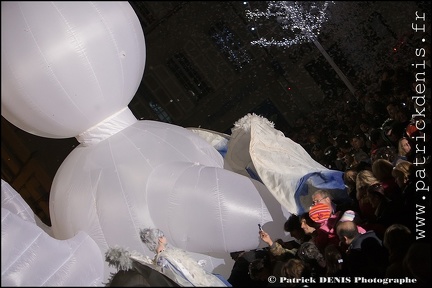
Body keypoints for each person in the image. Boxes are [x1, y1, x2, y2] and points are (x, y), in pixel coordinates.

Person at [140, 228, 229, 287]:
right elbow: (180, 276)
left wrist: (197, 265)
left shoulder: (166, 254)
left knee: (218, 278)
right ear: (159, 239)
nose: (165, 238)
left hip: (198, 280)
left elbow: (182, 268)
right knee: (219, 279)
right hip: (197, 283)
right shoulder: (164, 258)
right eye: (163, 236)